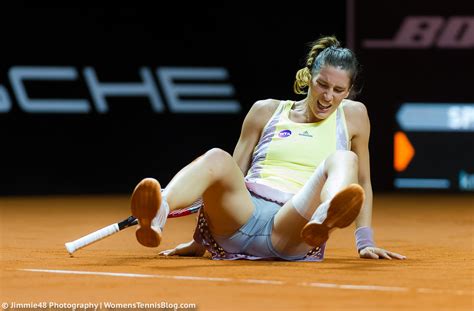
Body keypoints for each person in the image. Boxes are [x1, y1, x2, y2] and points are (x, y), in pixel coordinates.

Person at [130, 35, 406, 261]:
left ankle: (327, 212)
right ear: (308, 77)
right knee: (217, 158)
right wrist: (199, 240)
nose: (328, 96)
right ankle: (159, 210)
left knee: (345, 158)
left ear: (348, 92)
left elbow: (363, 182)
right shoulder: (265, 111)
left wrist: (364, 242)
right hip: (240, 219)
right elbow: (227, 179)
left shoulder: (354, 116)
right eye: (322, 84)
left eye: (338, 90)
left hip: (293, 225)